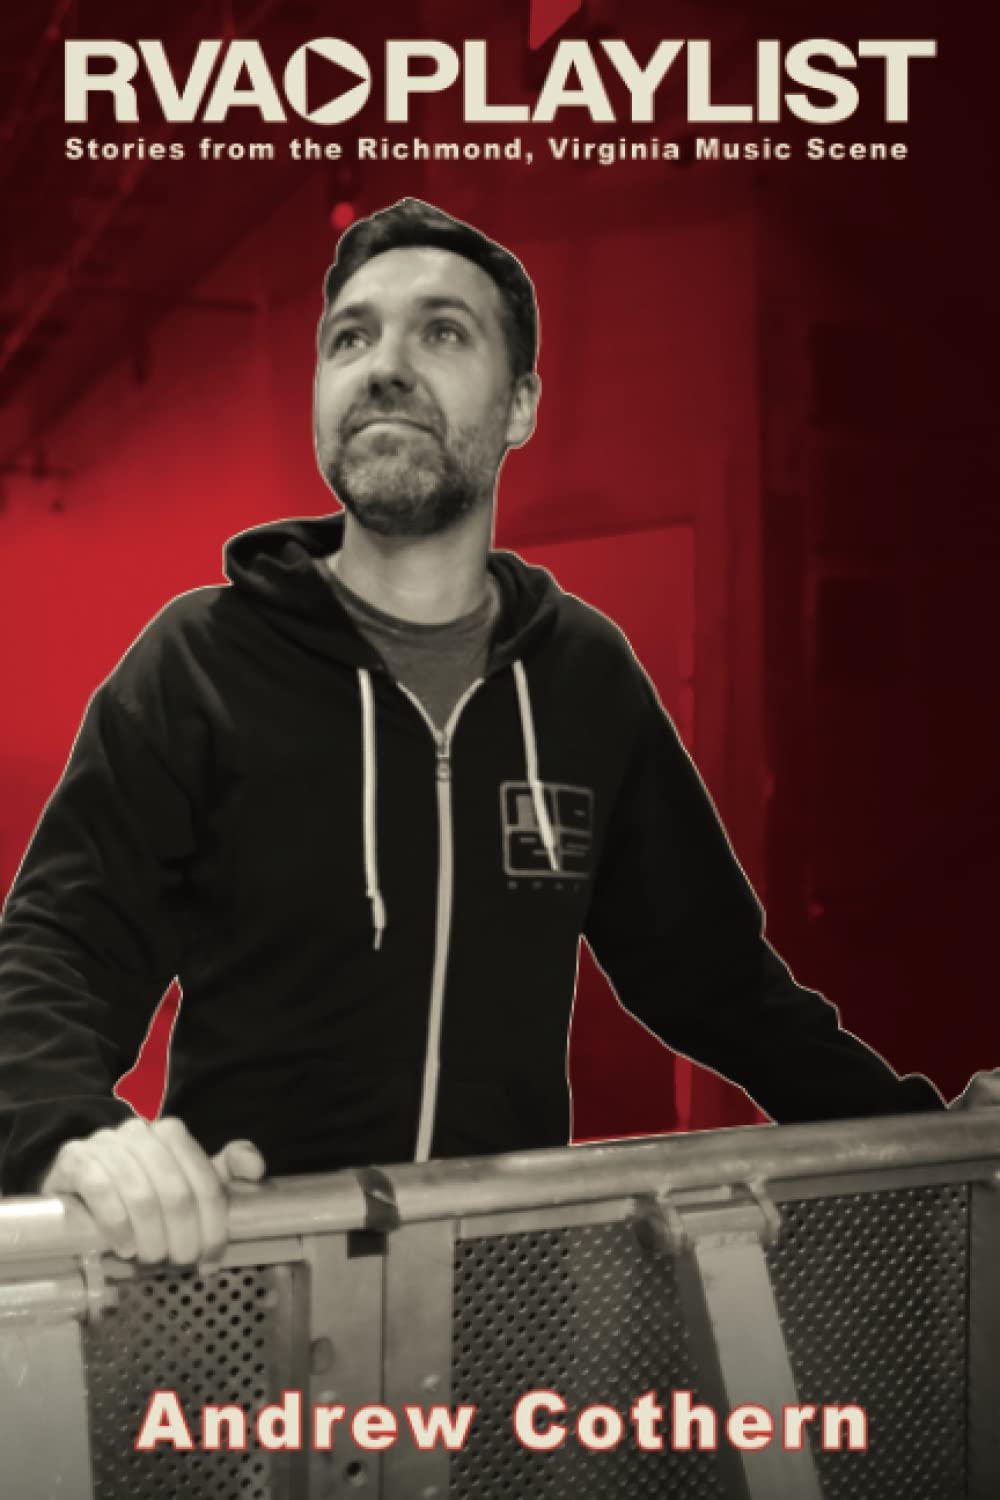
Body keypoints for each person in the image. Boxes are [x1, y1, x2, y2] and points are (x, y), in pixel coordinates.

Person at [0, 199, 988, 1268]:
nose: (384, 366)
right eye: (351, 338)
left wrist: (927, 1140)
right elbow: (61, 947)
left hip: (507, 1298)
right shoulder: (200, 662)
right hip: (249, 1282)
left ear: (520, 405)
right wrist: (73, 1135)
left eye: (442, 332)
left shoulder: (583, 676)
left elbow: (718, 982)